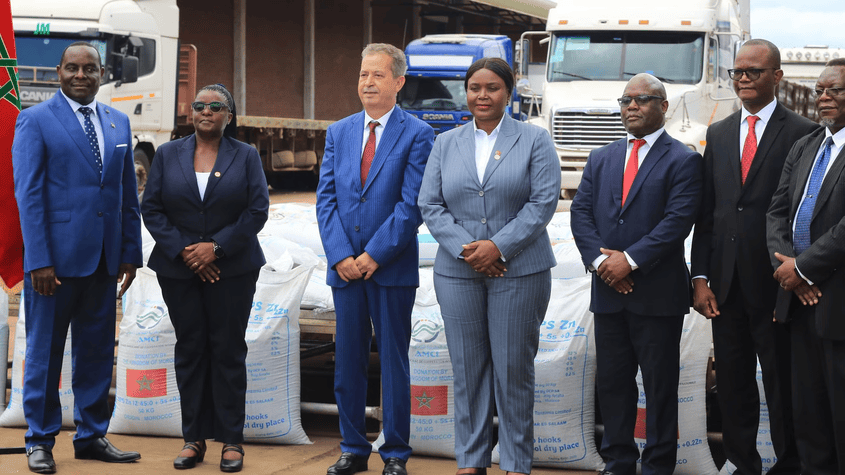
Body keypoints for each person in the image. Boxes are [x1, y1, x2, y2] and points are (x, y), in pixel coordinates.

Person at [418, 57, 560, 475]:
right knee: (467, 370)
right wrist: (469, 250)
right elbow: (430, 203)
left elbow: (543, 202)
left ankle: (515, 463)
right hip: (458, 272)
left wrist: (498, 247)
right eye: (475, 87)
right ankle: (471, 461)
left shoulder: (534, 139)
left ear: (509, 93)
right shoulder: (446, 143)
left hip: (520, 271)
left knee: (513, 371)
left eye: (492, 87)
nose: (482, 95)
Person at [12, 41, 143, 474]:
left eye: (90, 68)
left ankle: (90, 436)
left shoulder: (118, 121)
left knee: (96, 352)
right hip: (54, 266)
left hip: (104, 261)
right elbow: (29, 195)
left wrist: (129, 252)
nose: (81, 75)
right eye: (73, 68)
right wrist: (38, 260)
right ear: (59, 72)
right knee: (45, 354)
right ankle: (39, 439)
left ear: (102, 73)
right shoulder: (35, 120)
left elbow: (125, 193)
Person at [691, 39, 817, 475]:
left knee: (783, 385)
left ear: (776, 76)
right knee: (733, 384)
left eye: (753, 72)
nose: (743, 79)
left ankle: (790, 464)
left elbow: (805, 211)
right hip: (725, 288)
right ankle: (743, 464)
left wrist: (801, 270)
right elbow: (708, 214)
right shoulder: (720, 133)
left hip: (778, 285)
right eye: (737, 72)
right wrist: (700, 278)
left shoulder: (803, 132)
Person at [570, 73, 702, 475]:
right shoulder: (601, 157)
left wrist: (627, 261)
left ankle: (658, 465)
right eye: (626, 99)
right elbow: (580, 214)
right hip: (608, 293)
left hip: (657, 295)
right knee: (613, 383)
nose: (632, 106)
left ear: (664, 106)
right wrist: (601, 265)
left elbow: (677, 222)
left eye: (642, 99)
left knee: (659, 387)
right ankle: (619, 462)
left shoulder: (683, 159)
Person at [315, 43, 434, 475]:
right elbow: (326, 200)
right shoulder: (339, 132)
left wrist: (373, 255)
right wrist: (341, 256)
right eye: (363, 74)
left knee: (393, 364)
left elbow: (411, 205)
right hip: (346, 271)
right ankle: (352, 448)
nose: (367, 82)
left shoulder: (418, 134)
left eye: (377, 75)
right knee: (347, 363)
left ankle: (395, 453)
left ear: (398, 82)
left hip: (391, 269)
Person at [141, 84, 269, 473]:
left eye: (216, 106)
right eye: (200, 105)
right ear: (191, 113)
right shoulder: (167, 154)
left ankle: (231, 440)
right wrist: (187, 251)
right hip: (179, 271)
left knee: (228, 350)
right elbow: (152, 208)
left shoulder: (245, 155)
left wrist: (215, 249)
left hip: (232, 271)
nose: (206, 111)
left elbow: (257, 210)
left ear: (229, 115)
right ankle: (193, 438)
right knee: (191, 349)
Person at [766, 58, 845, 475]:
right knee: (809, 411)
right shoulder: (807, 145)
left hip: (838, 300)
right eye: (820, 91)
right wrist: (791, 273)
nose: (824, 97)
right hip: (798, 301)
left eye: (836, 90)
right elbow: (777, 211)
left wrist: (805, 268)